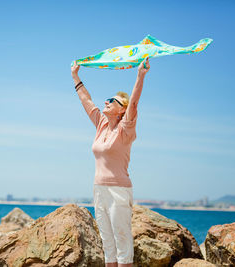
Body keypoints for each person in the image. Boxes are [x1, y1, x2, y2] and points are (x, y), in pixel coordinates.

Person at [71, 58, 150, 267]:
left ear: (121, 109)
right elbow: (86, 101)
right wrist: (76, 76)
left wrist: (140, 75)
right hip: (99, 189)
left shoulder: (126, 129)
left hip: (118, 191)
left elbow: (133, 102)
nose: (105, 102)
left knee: (122, 240)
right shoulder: (102, 125)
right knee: (107, 243)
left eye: (111, 100)